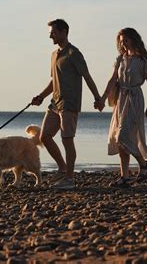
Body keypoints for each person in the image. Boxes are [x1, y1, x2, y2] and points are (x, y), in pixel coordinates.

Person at [31, 19, 103, 190]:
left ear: (63, 32)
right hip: (55, 103)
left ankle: (69, 179)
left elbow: (86, 76)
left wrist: (98, 98)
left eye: (53, 32)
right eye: (50, 33)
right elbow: (53, 81)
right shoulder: (54, 55)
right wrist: (40, 96)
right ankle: (63, 168)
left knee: (67, 140)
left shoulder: (74, 53)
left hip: (69, 104)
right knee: (44, 137)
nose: (50, 36)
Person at [98, 27, 147, 187]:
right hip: (120, 100)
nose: (123, 43)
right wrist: (102, 99)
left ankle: (144, 164)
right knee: (119, 139)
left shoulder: (143, 61)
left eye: (126, 40)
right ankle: (124, 176)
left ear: (133, 40)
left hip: (135, 99)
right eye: (121, 41)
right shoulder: (120, 59)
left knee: (123, 137)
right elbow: (112, 80)